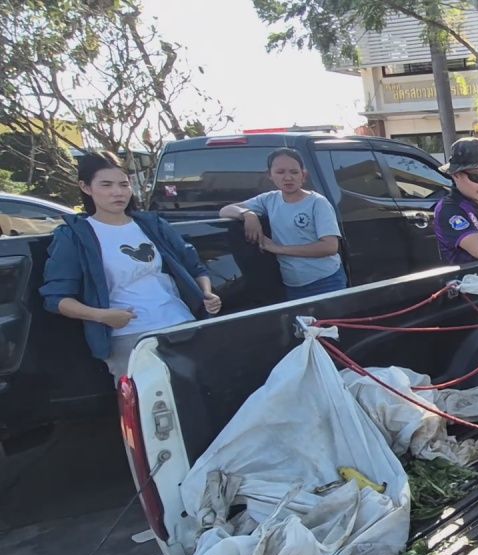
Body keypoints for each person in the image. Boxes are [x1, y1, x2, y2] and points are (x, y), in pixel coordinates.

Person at [40, 152, 222, 384]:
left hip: (180, 324)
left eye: (123, 184)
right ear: (86, 187)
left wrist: (206, 292)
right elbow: (56, 298)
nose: (118, 192)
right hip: (129, 337)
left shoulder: (151, 224)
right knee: (149, 410)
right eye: (106, 185)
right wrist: (102, 316)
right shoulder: (75, 235)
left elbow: (194, 265)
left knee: (200, 396)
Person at [220, 148, 346, 300]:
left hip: (326, 281)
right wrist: (248, 214)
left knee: (326, 324)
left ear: (303, 175)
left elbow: (330, 247)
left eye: (294, 172)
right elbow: (225, 210)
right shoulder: (268, 200)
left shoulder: (317, 202)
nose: (288, 178)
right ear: (270, 175)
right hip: (292, 286)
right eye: (280, 172)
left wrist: (278, 249)